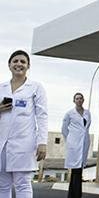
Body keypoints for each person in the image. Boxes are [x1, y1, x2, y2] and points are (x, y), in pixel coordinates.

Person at [0, 50, 48, 198]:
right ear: (9, 65)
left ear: (28, 66)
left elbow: (42, 116)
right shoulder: (1, 87)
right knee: (2, 185)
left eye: (22, 61)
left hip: (24, 144)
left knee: (22, 185)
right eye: (15, 61)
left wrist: (42, 142)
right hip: (2, 144)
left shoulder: (36, 87)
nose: (19, 64)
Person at [62, 92, 92, 198]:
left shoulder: (87, 113)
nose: (79, 100)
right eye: (77, 98)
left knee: (79, 171)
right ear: (74, 100)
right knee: (76, 171)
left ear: (83, 100)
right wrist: (70, 140)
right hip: (74, 144)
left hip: (84, 144)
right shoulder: (69, 113)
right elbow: (64, 129)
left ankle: (73, 195)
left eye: (80, 98)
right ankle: (75, 195)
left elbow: (86, 128)